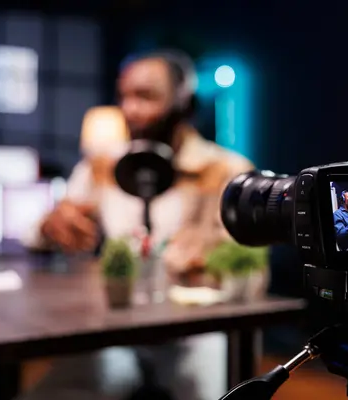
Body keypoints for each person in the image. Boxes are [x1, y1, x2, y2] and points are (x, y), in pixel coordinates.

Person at [20, 49, 254, 400]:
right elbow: (36, 234)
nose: (130, 109)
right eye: (124, 96)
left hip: (193, 334)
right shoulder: (101, 167)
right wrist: (51, 226)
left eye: (145, 96)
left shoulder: (227, 170)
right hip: (114, 329)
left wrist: (212, 259)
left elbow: (252, 270)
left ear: (185, 103)